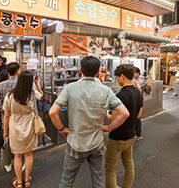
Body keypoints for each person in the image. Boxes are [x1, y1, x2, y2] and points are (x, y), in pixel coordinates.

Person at [49, 56, 130, 188]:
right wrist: (110, 127)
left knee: (67, 181)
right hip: (97, 143)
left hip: (75, 143)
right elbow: (124, 113)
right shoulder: (106, 90)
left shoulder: (70, 88)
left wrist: (62, 129)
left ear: (81, 70)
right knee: (98, 181)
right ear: (98, 72)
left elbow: (52, 112)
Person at [105, 64, 143, 188]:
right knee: (129, 164)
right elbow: (138, 115)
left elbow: (113, 119)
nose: (117, 80)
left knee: (110, 169)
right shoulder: (138, 93)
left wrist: (106, 113)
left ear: (122, 76)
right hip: (131, 135)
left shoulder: (121, 96)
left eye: (117, 78)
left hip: (117, 137)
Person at [3, 71, 43, 188]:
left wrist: (6, 131)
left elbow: (6, 116)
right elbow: (41, 95)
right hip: (29, 125)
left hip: (14, 126)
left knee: (17, 155)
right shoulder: (31, 94)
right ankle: (27, 180)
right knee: (29, 154)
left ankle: (19, 182)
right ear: (30, 82)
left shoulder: (10, 96)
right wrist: (36, 83)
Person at [0, 62, 21, 151]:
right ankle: (17, 149)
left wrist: (3, 110)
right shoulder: (21, 84)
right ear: (17, 71)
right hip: (18, 114)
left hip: (5, 114)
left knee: (5, 132)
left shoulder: (0, 85)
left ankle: (5, 150)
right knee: (17, 132)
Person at [133, 67, 151, 140]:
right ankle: (136, 133)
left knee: (137, 117)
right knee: (135, 117)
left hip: (138, 100)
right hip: (136, 100)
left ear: (138, 73)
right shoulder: (135, 80)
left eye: (134, 72)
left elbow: (146, 91)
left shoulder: (139, 81)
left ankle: (138, 134)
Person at [0, 69, 9, 142]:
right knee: (4, 129)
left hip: (1, 110)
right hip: (6, 110)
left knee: (1, 128)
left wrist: (2, 109)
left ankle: (2, 149)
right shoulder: (3, 85)